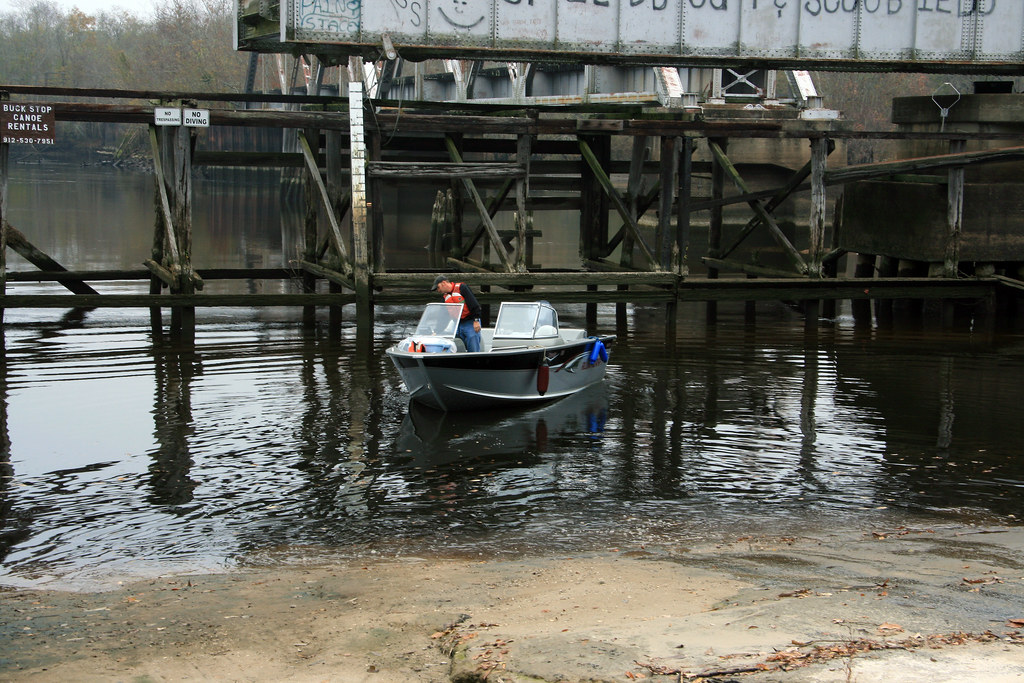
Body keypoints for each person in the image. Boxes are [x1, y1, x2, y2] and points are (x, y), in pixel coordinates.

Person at [430, 275, 482, 352]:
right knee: (455, 343)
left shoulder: (462, 288)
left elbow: (474, 304)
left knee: (472, 338)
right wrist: (436, 331)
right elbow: (443, 318)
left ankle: (474, 360)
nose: (438, 290)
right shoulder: (445, 298)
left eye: (438, 287)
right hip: (457, 323)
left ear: (444, 283)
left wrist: (476, 320)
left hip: (470, 322)